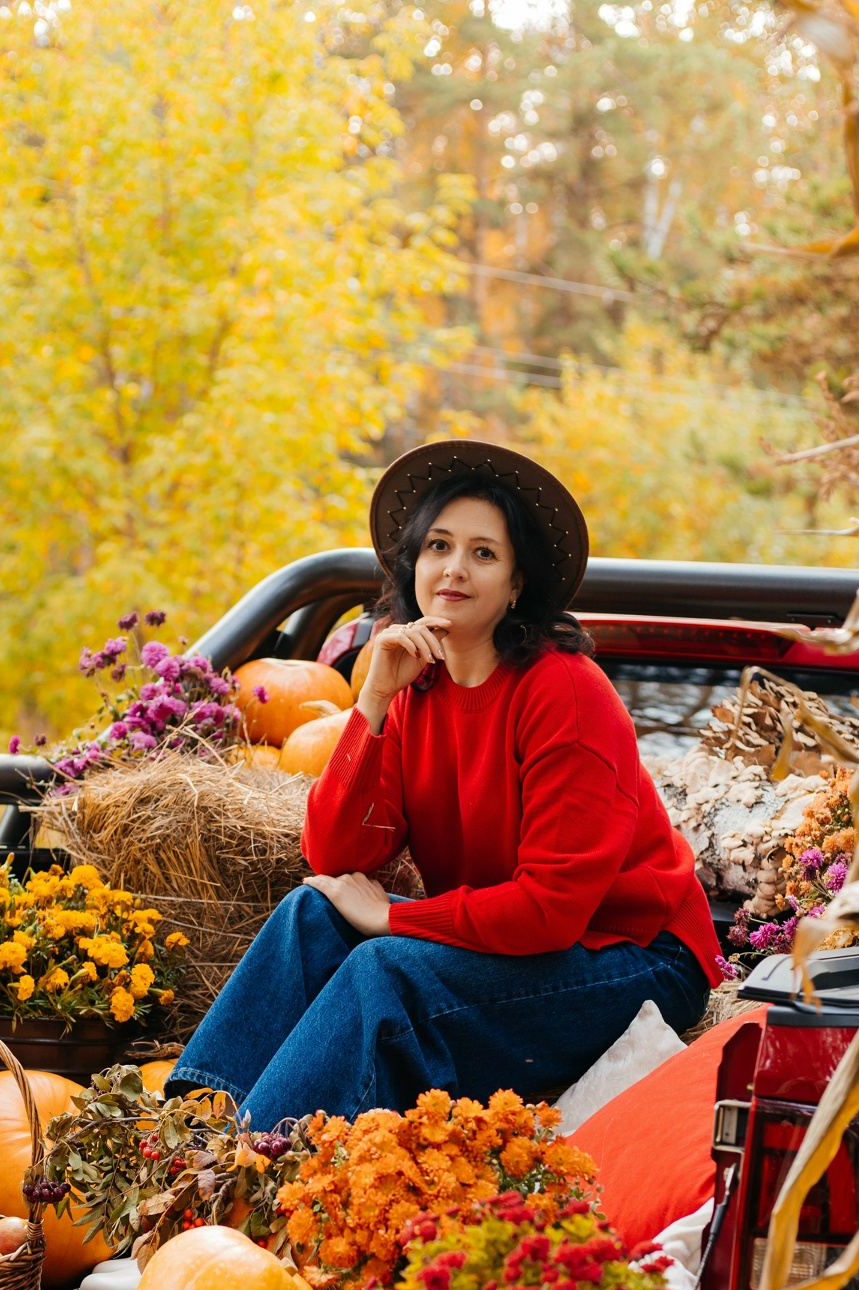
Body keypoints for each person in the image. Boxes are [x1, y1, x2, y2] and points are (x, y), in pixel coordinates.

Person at [168, 440, 722, 1127]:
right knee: (312, 917)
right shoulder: (414, 687)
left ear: (517, 585)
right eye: (439, 546)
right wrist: (372, 702)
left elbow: (550, 911)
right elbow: (334, 855)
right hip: (523, 945)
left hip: (635, 958)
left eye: (483, 553)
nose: (454, 568)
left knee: (384, 970)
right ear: (415, 563)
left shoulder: (565, 693)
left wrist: (395, 918)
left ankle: (254, 1165)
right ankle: (190, 1133)